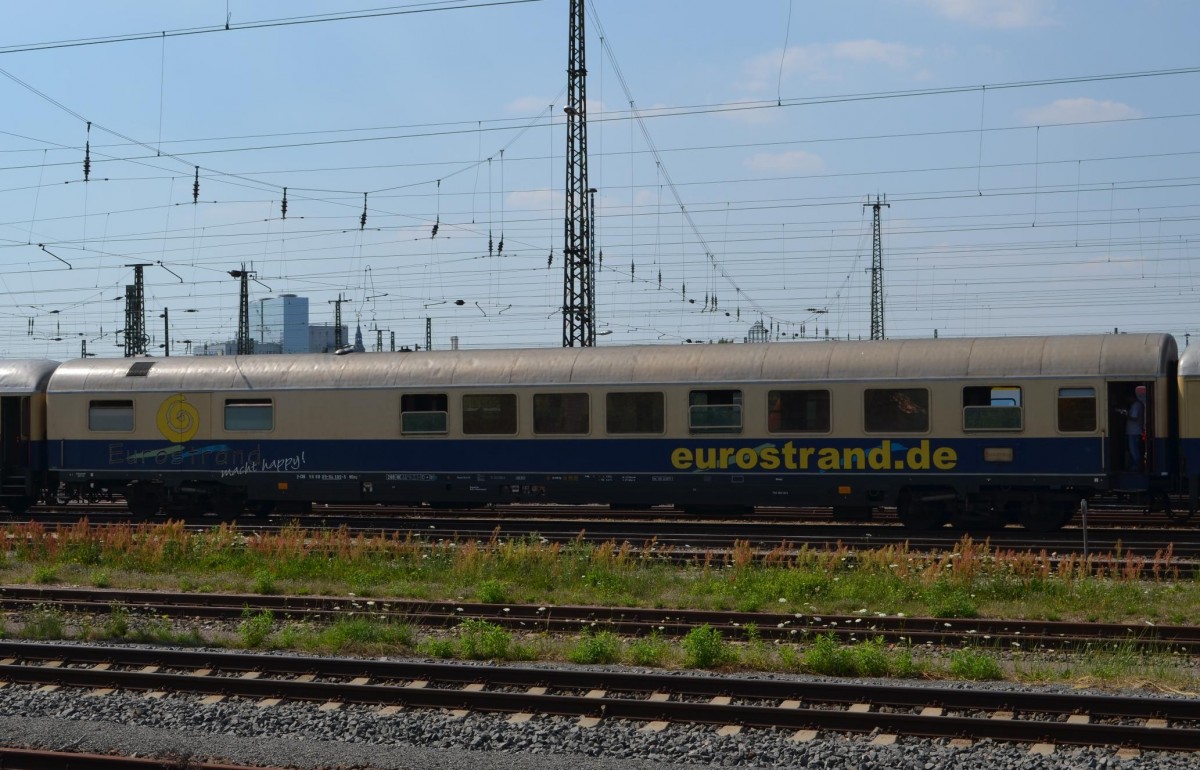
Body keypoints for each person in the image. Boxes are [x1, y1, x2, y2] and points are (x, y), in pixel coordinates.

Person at [1117, 387, 1146, 471]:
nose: (1127, 401)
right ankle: (1136, 465)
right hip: (1134, 431)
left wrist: (1124, 415)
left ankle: (1136, 466)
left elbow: (1134, 417)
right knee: (1134, 449)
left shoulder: (1136, 405)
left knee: (1134, 450)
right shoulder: (1137, 404)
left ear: (1131, 397)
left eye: (1127, 399)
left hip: (1134, 432)